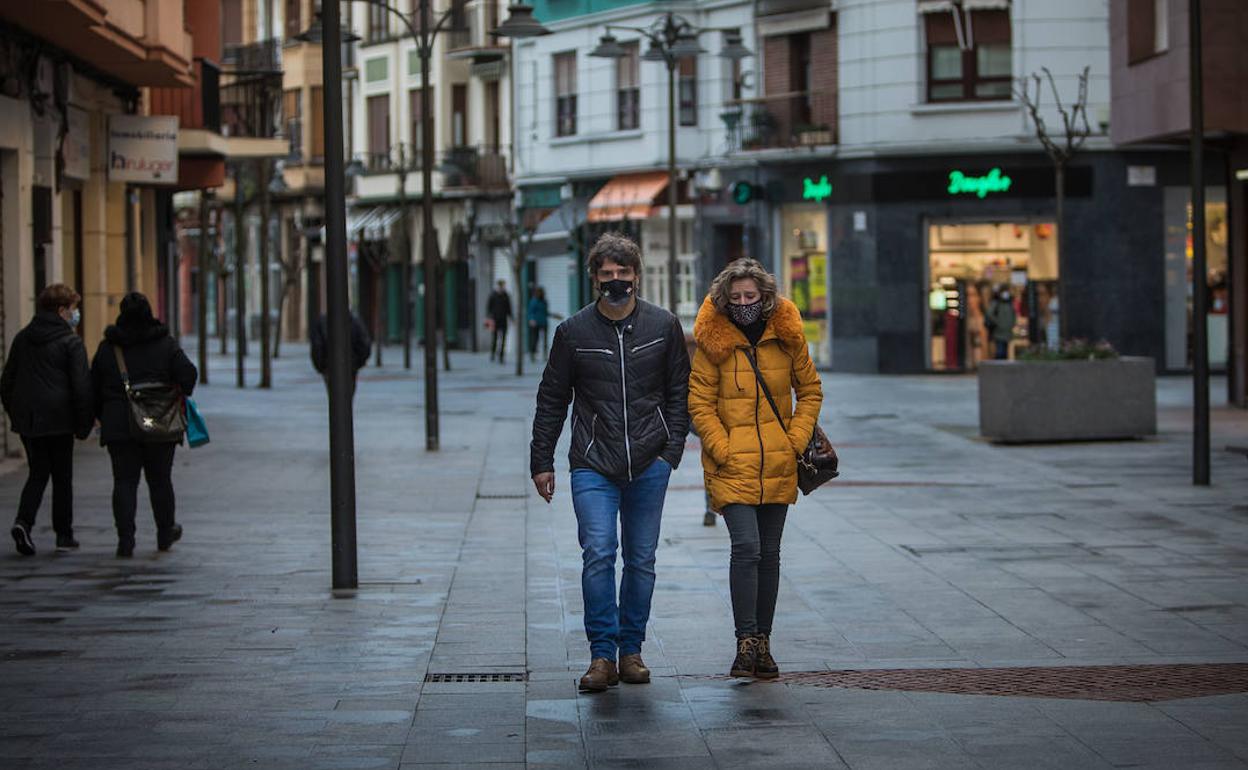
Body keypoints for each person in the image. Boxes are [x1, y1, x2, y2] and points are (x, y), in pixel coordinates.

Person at [530, 232, 690, 693]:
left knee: (641, 559)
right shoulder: (573, 333)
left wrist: (670, 450)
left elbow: (679, 391)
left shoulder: (663, 327)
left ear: (636, 276)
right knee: (599, 552)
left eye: (623, 273)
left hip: (649, 461)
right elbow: (552, 400)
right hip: (593, 463)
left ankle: (631, 650)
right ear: (594, 279)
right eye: (607, 275)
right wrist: (543, 460)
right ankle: (602, 655)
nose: (616, 281)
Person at [688, 258, 823, 679]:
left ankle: (764, 643)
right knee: (746, 548)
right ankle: (745, 642)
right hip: (731, 465)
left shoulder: (787, 337)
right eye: (736, 297)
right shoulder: (713, 341)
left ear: (765, 297)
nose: (744, 303)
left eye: (751, 296)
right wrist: (722, 447)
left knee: (770, 555)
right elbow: (699, 403)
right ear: (724, 300)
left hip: (779, 462)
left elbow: (811, 390)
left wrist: (794, 440)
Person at [91, 293, 198, 558]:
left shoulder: (109, 348)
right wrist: (175, 391)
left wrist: (100, 416)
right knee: (160, 480)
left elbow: (91, 387)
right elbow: (188, 375)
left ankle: (125, 541)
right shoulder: (165, 344)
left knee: (124, 482)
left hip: (119, 425)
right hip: (159, 423)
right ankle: (165, 533)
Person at [2, 284, 93, 555]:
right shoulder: (71, 342)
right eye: (74, 309)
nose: (76, 314)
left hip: (30, 419)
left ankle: (23, 522)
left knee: (38, 472)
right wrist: (83, 424)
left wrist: (16, 412)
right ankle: (63, 535)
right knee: (62, 476)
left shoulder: (23, 338)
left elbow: (6, 381)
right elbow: (81, 387)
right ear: (62, 310)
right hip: (60, 419)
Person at [309, 312, 372, 397]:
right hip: (348, 366)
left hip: (331, 367)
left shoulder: (322, 322)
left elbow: (317, 347)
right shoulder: (354, 321)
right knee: (347, 396)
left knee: (334, 396)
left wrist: (321, 366)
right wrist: (356, 364)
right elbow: (365, 344)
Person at [986, 287, 1017, 360]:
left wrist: (1012, 324)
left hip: (1007, 332)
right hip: (999, 333)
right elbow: (989, 313)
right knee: (1000, 351)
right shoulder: (996, 303)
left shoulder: (1010, 304)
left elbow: (1014, 315)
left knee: (1005, 352)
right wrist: (997, 322)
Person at [487, 280, 512, 363]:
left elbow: (509, 308)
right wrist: (489, 318)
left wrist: (511, 317)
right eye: (501, 286)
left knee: (503, 338)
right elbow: (489, 308)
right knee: (494, 338)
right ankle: (493, 354)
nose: (502, 287)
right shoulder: (493, 295)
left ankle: (501, 356)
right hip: (495, 320)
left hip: (503, 320)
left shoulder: (506, 295)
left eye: (503, 286)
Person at [527, 286, 550, 362]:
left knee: (545, 340)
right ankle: (533, 354)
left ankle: (545, 354)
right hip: (535, 323)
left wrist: (554, 316)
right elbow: (530, 312)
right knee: (535, 339)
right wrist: (531, 320)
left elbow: (545, 312)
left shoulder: (544, 301)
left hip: (543, 322)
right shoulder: (534, 301)